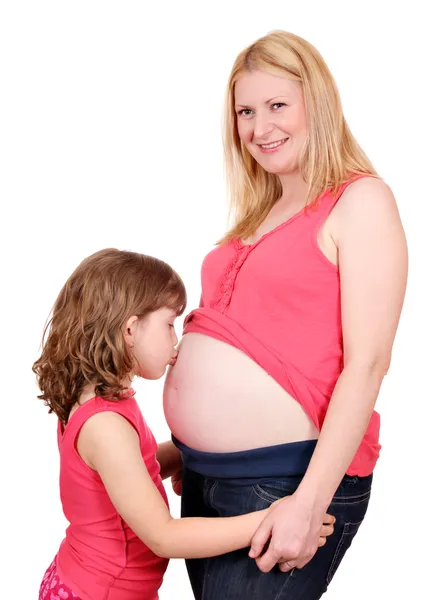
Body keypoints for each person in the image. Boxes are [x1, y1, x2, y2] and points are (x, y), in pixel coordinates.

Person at [163, 30, 408, 599]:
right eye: (245, 111)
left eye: (277, 105)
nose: (259, 127)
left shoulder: (360, 200)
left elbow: (367, 365)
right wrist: (186, 446)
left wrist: (308, 503)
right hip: (205, 481)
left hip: (285, 484)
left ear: (315, 102)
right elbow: (262, 344)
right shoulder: (260, 214)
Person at [34, 248, 335, 600]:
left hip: (86, 580)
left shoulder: (97, 400)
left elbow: (129, 472)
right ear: (130, 329)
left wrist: (191, 452)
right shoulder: (105, 427)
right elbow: (164, 537)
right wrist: (271, 519)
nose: (175, 341)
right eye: (169, 324)